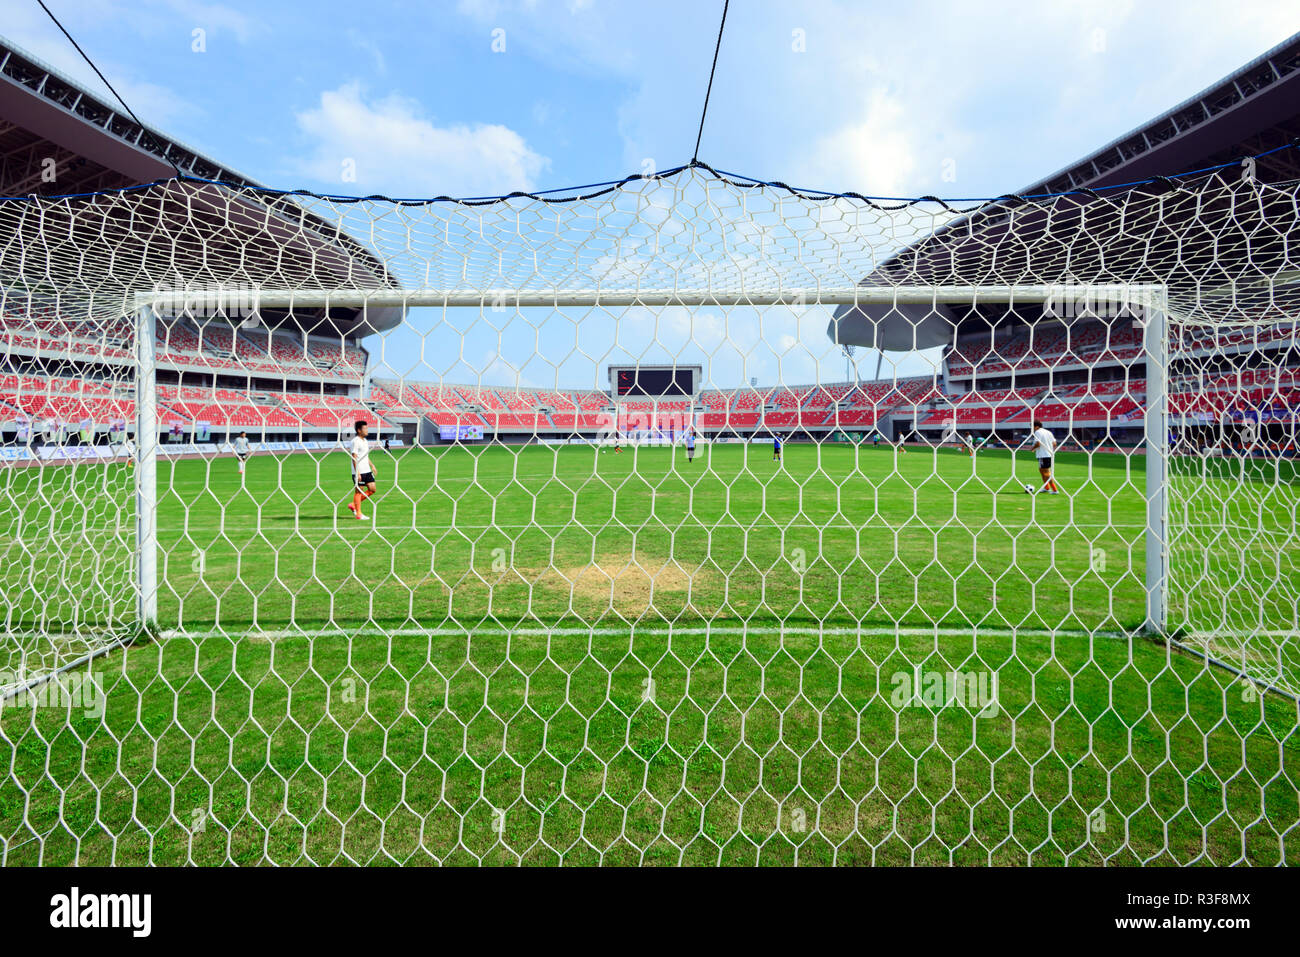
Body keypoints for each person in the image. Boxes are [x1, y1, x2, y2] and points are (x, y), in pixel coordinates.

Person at [346, 420, 377, 520]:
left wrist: (372, 465)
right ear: (359, 430)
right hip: (359, 471)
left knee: (372, 489)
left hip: (367, 470)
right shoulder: (355, 441)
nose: (367, 430)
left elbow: (365, 456)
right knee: (358, 491)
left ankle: (353, 504)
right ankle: (358, 514)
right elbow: (354, 457)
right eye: (365, 428)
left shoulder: (365, 441)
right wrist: (357, 472)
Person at [1028, 419, 1060, 494]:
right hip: (1049, 454)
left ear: (1036, 426)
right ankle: (1046, 488)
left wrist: (1032, 448)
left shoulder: (1037, 432)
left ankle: (1055, 490)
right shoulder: (1048, 432)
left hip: (1043, 455)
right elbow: (1054, 443)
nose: (1031, 429)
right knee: (1042, 470)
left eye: (1032, 427)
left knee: (1046, 472)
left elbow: (1038, 443)